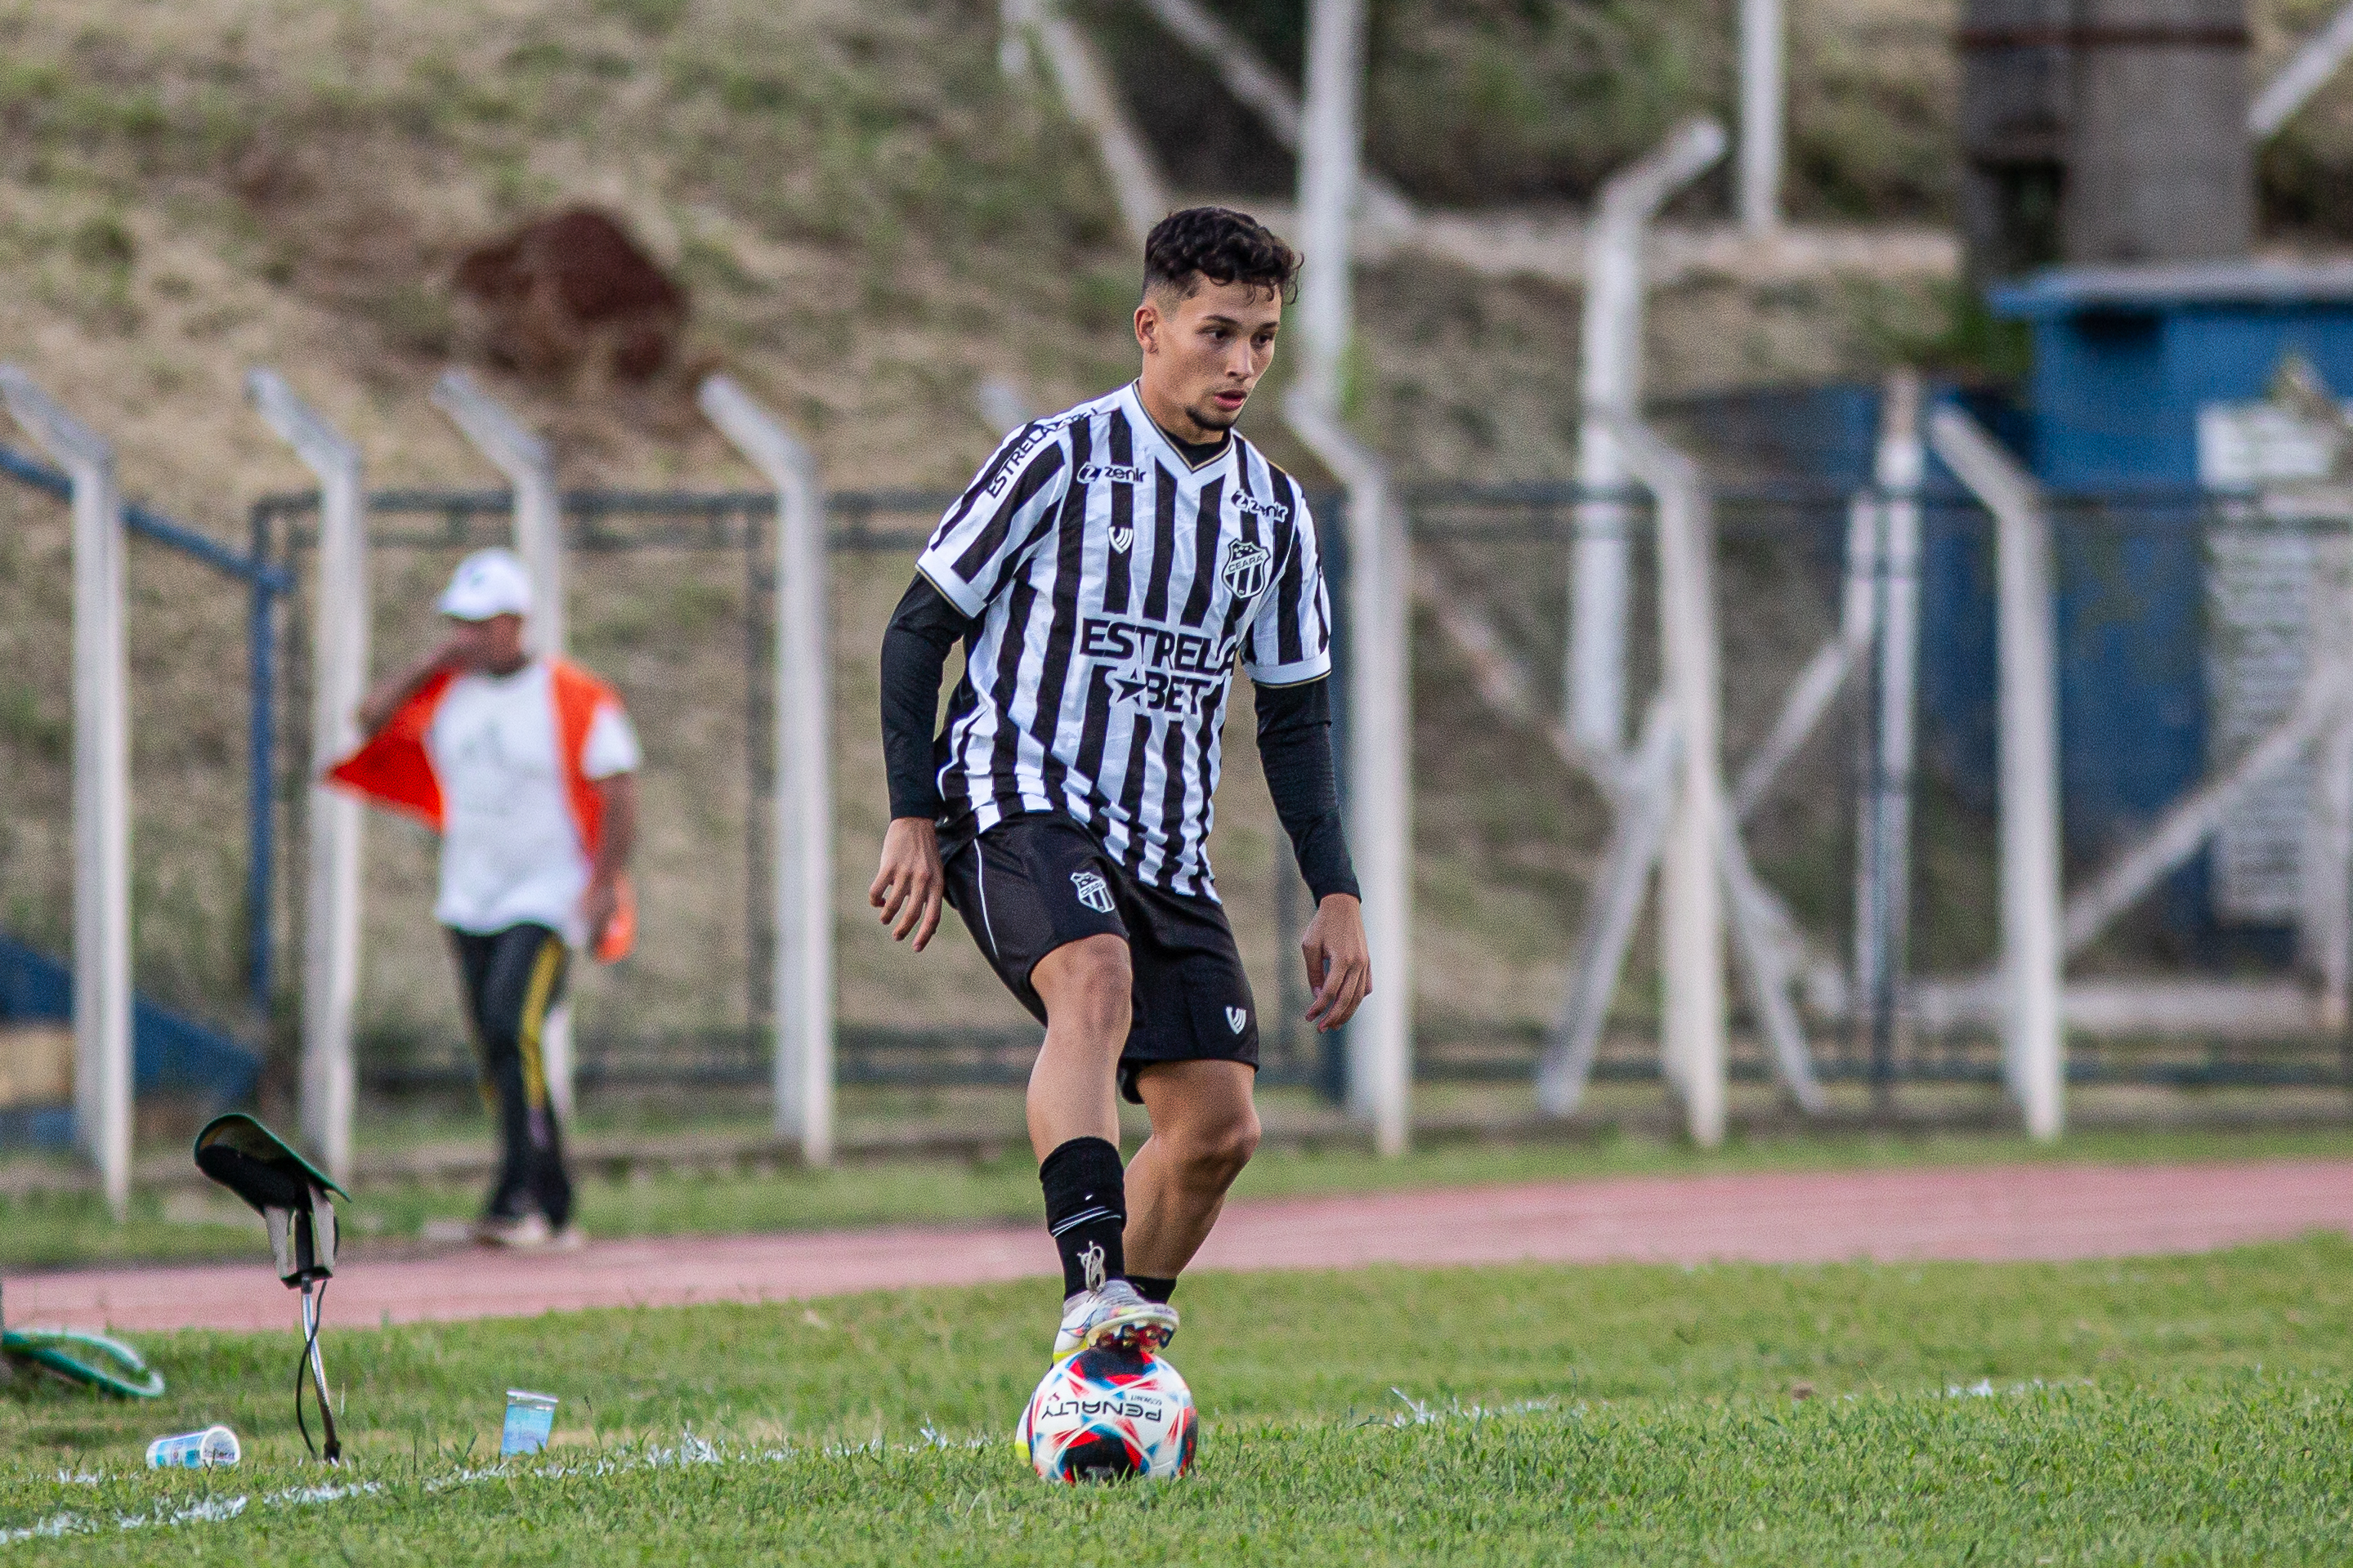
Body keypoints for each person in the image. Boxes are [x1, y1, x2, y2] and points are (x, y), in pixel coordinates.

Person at [872, 206, 1372, 1365]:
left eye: (1261, 338)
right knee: (1090, 980)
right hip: (1015, 799)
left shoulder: (1276, 510)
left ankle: (1106, 1358)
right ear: (1149, 327)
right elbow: (915, 631)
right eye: (1216, 333)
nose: (1241, 362)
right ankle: (1090, 1283)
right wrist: (909, 811)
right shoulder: (1055, 458)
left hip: (1163, 843)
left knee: (1215, 1126)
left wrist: (1335, 889)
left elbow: (1292, 716)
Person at [330, 547, 641, 1250]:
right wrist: (429, 664)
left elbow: (620, 787)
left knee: (512, 1025)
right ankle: (550, 1200)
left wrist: (599, 887)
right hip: (468, 896)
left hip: (547, 895)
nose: (466, 635)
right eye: (457, 623)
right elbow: (368, 719)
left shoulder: (572, 695)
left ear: (515, 622)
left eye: (479, 623)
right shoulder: (447, 693)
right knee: (497, 1047)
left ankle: (518, 1195)